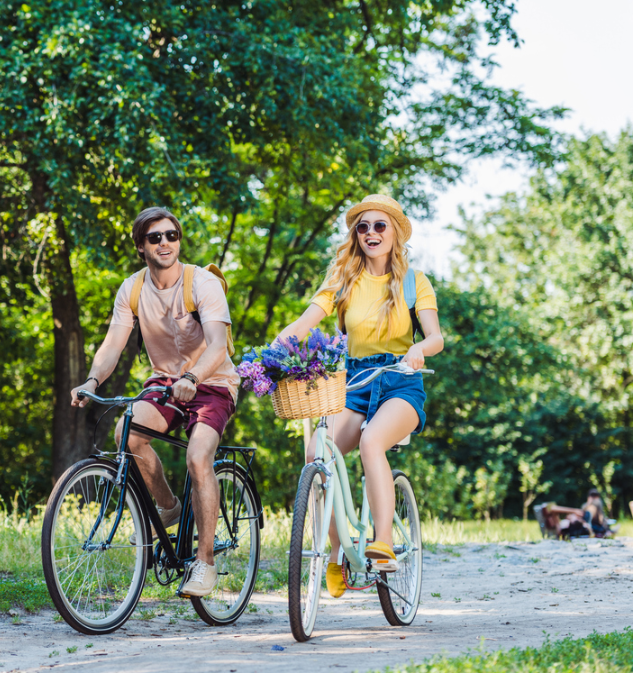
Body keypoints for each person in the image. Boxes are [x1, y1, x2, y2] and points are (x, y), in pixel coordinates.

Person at [274, 194, 444, 598]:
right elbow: (304, 322)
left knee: (372, 442)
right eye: (362, 227)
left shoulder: (413, 281)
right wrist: (272, 352)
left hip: (400, 380)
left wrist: (420, 349)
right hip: (353, 382)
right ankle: (335, 548)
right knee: (319, 449)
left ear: (394, 233)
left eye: (379, 226)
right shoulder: (342, 280)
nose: (370, 233)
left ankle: (382, 540)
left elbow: (436, 336)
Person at [70, 206, 239, 597]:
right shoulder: (132, 289)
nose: (165, 243)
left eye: (171, 235)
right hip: (165, 381)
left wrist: (194, 377)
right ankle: (169, 508)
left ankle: (205, 562)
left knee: (198, 458)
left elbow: (216, 345)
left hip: (212, 382)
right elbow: (113, 343)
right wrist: (93, 379)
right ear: (140, 247)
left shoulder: (203, 283)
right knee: (126, 435)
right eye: (154, 237)